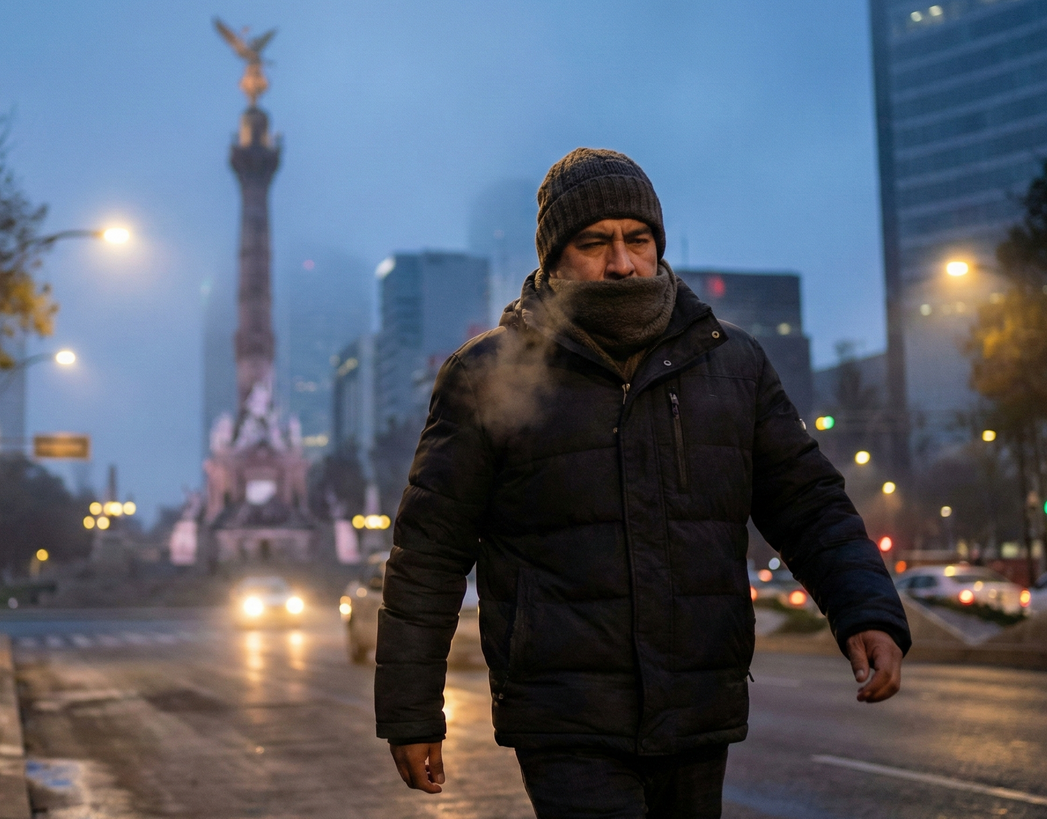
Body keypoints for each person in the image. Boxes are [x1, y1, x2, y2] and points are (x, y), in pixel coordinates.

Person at [374, 148, 911, 818]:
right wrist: (412, 708)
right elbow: (430, 551)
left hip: (696, 702)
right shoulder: (488, 374)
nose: (621, 262)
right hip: (564, 712)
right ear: (553, 260)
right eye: (594, 243)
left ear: (659, 246)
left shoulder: (731, 363)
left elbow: (809, 503)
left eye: (638, 239)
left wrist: (866, 608)